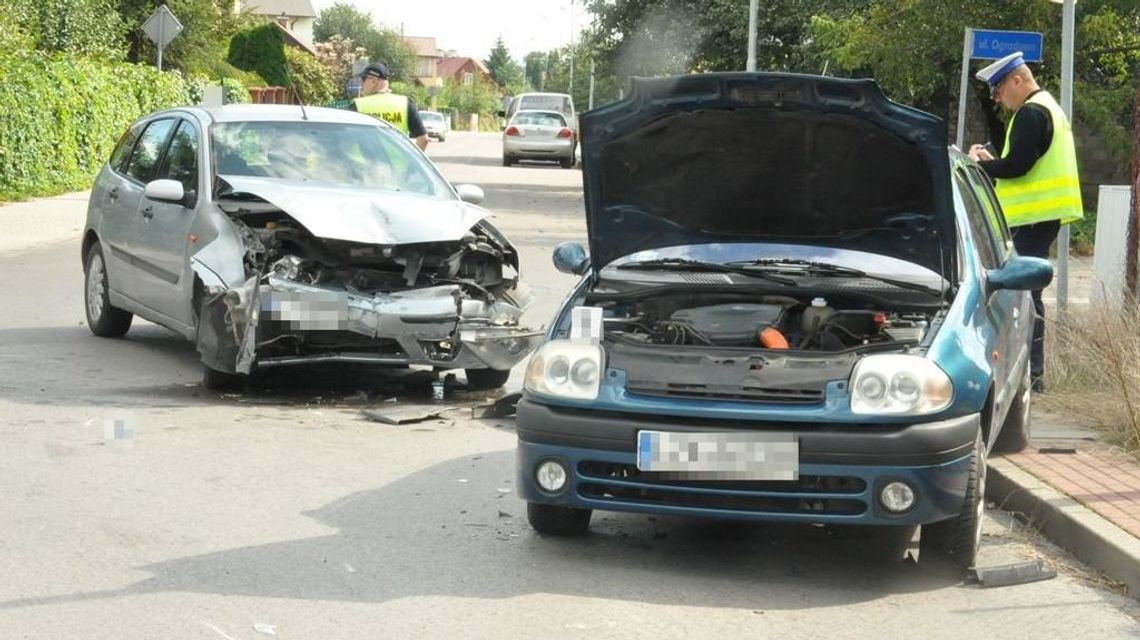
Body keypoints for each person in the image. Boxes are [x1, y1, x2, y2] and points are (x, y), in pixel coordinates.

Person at [968, 51, 1084, 394]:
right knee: (1027, 295)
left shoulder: (1032, 112)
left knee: (1023, 297)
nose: (997, 99)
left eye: (999, 90)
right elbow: (1023, 163)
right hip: (1038, 218)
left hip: (1031, 220)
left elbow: (1019, 166)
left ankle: (1031, 376)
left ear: (1017, 80)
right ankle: (1031, 374)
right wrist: (996, 162)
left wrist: (978, 167)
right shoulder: (1047, 107)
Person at [352, 62, 429, 151]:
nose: (361, 84)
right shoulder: (405, 103)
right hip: (398, 164)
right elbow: (424, 140)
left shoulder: (358, 105)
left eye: (363, 79)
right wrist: (410, 164)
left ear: (373, 81)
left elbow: (344, 139)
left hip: (365, 164)